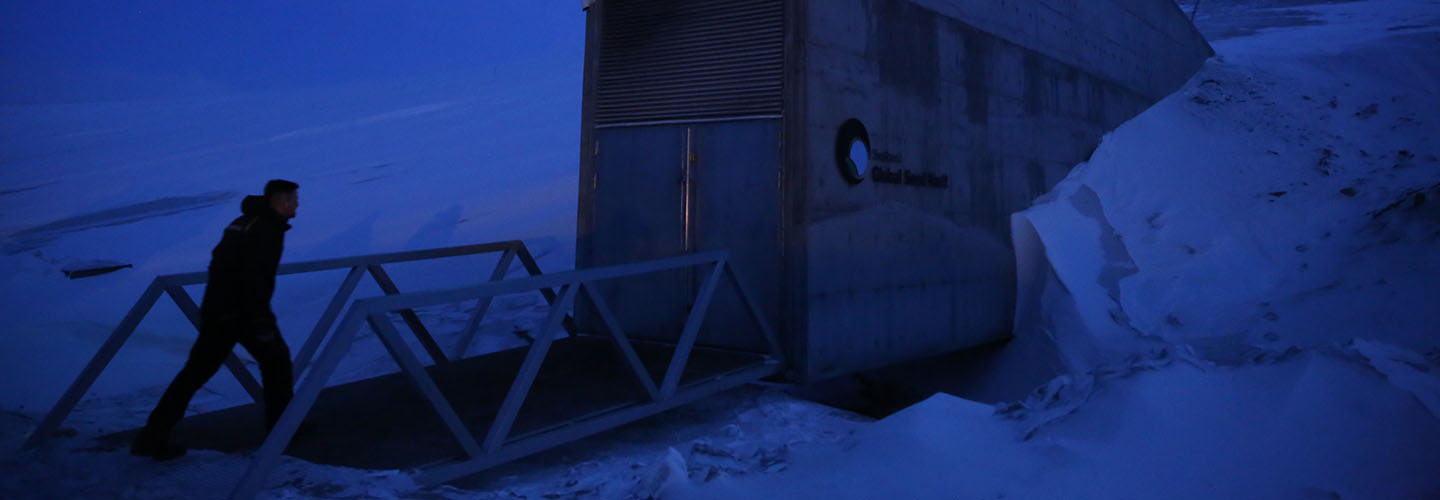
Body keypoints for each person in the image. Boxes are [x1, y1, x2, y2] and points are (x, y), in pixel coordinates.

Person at [131, 180, 300, 460]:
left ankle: (152, 435)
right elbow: (253, 278)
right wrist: (258, 320)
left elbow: (220, 262)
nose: (297, 204)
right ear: (280, 202)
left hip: (221, 310)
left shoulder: (245, 223)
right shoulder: (264, 230)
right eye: (293, 199)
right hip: (240, 313)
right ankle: (283, 430)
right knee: (275, 362)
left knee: (196, 373)